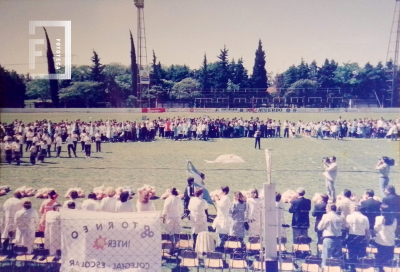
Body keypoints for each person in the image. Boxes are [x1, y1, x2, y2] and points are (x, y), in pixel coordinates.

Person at [317, 204, 344, 268]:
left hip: (329, 238)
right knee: (336, 259)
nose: (325, 209)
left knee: (326, 257)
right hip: (338, 239)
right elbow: (343, 227)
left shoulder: (326, 216)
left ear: (329, 208)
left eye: (326, 208)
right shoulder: (340, 217)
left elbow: (320, 227)